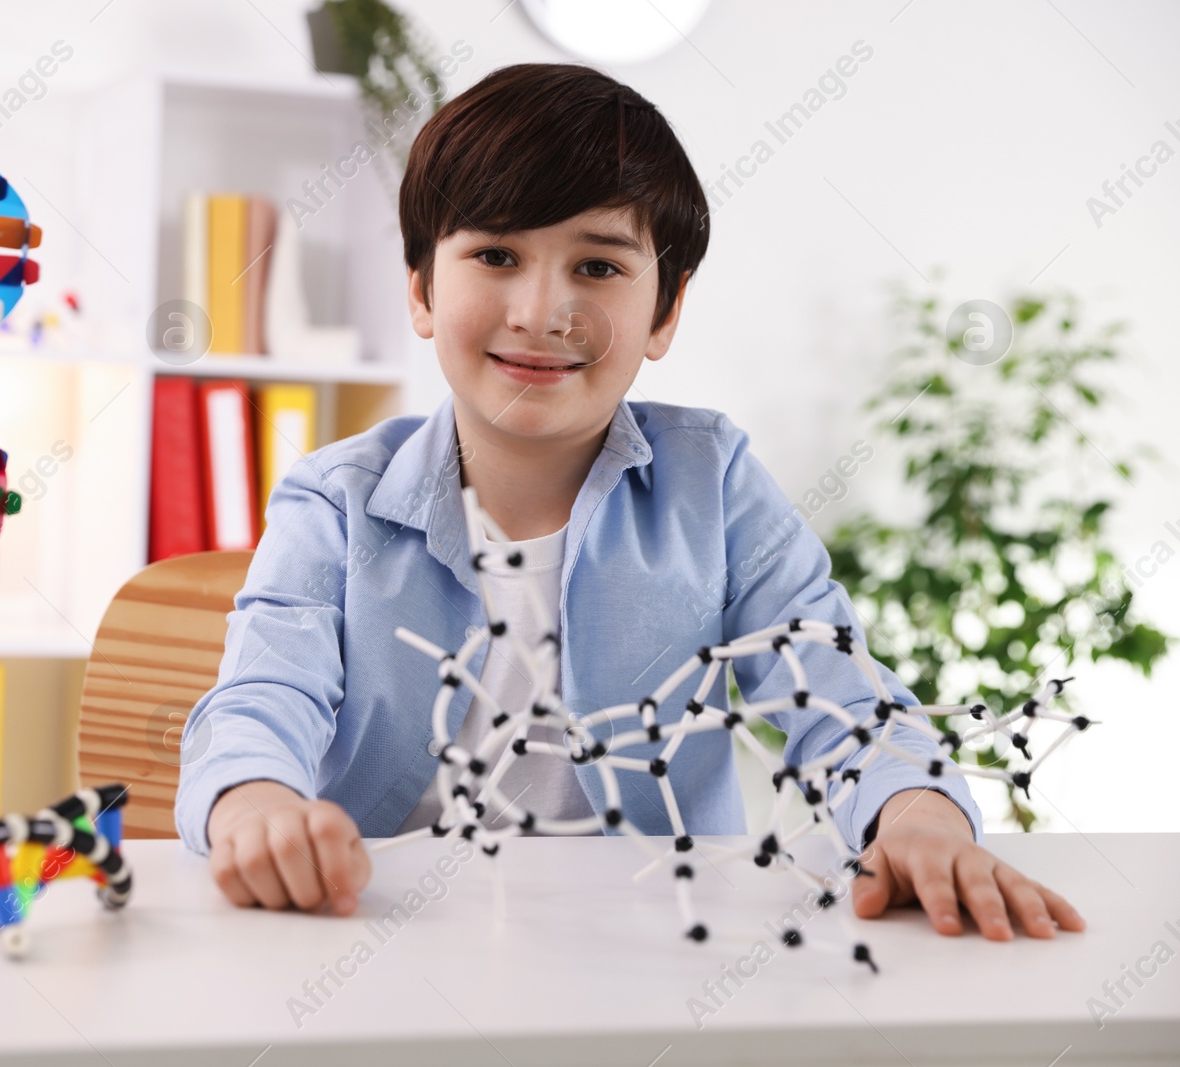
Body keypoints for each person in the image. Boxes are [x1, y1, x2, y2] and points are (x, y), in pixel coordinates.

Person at [175, 62, 1084, 943]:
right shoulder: (335, 501)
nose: (543, 310)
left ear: (665, 311)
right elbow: (259, 699)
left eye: (600, 268)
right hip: (372, 938)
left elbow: (837, 695)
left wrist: (916, 814)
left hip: (653, 955)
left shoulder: (714, 484)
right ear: (420, 287)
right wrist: (254, 800)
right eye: (495, 254)